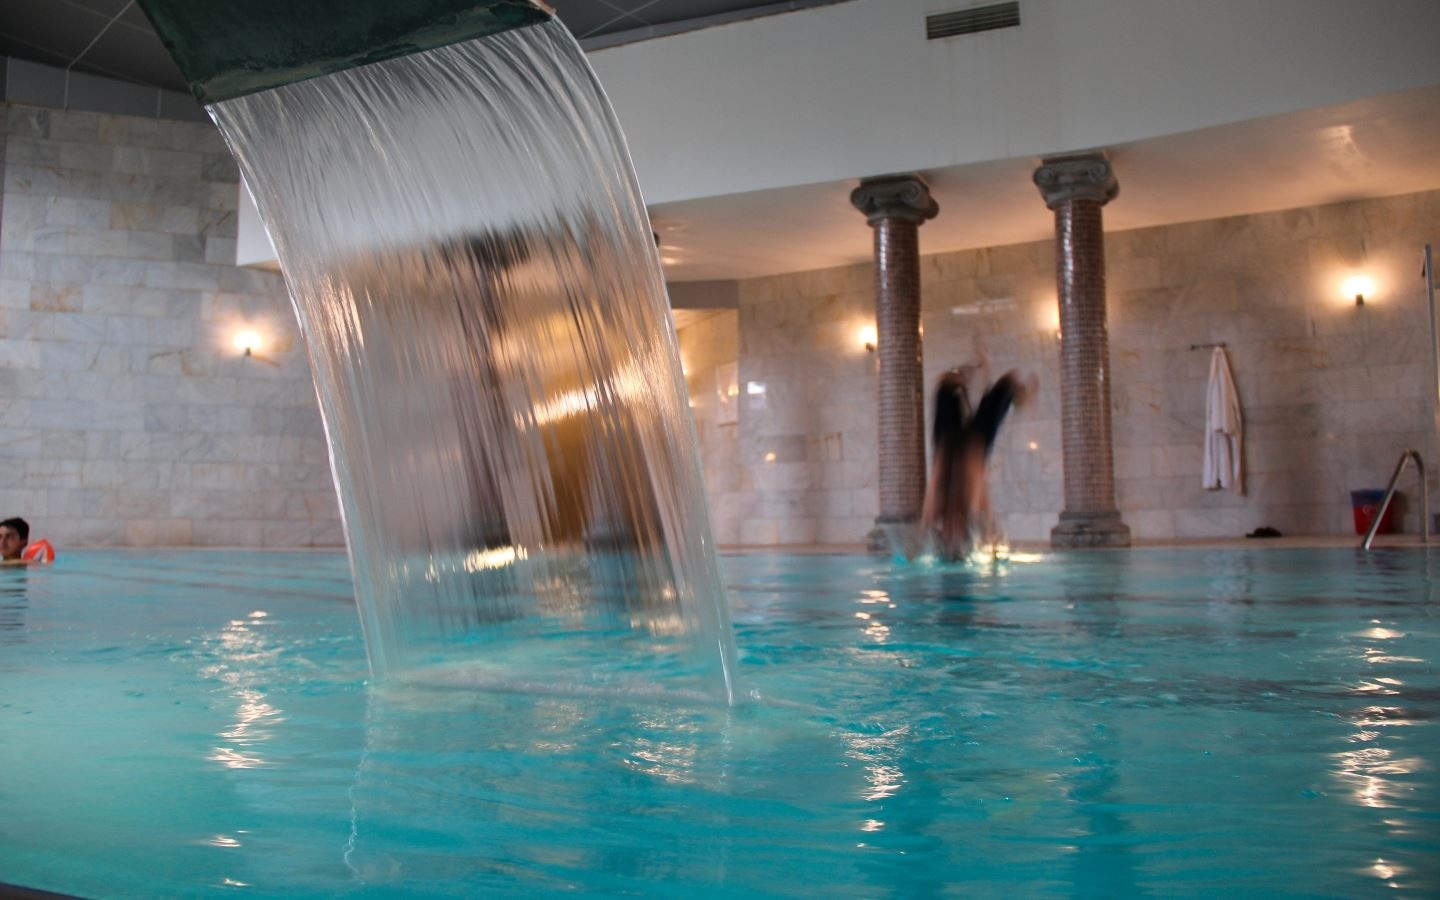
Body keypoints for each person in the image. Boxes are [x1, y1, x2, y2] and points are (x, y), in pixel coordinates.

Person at [921, 368, 1032, 559]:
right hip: (977, 444)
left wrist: (915, 547)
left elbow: (938, 471)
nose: (952, 529)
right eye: (957, 532)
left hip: (948, 444)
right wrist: (994, 539)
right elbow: (982, 489)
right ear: (965, 527)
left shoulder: (937, 508)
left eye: (948, 532)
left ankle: (962, 379)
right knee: (1006, 385)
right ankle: (1013, 393)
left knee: (945, 385)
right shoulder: (972, 504)